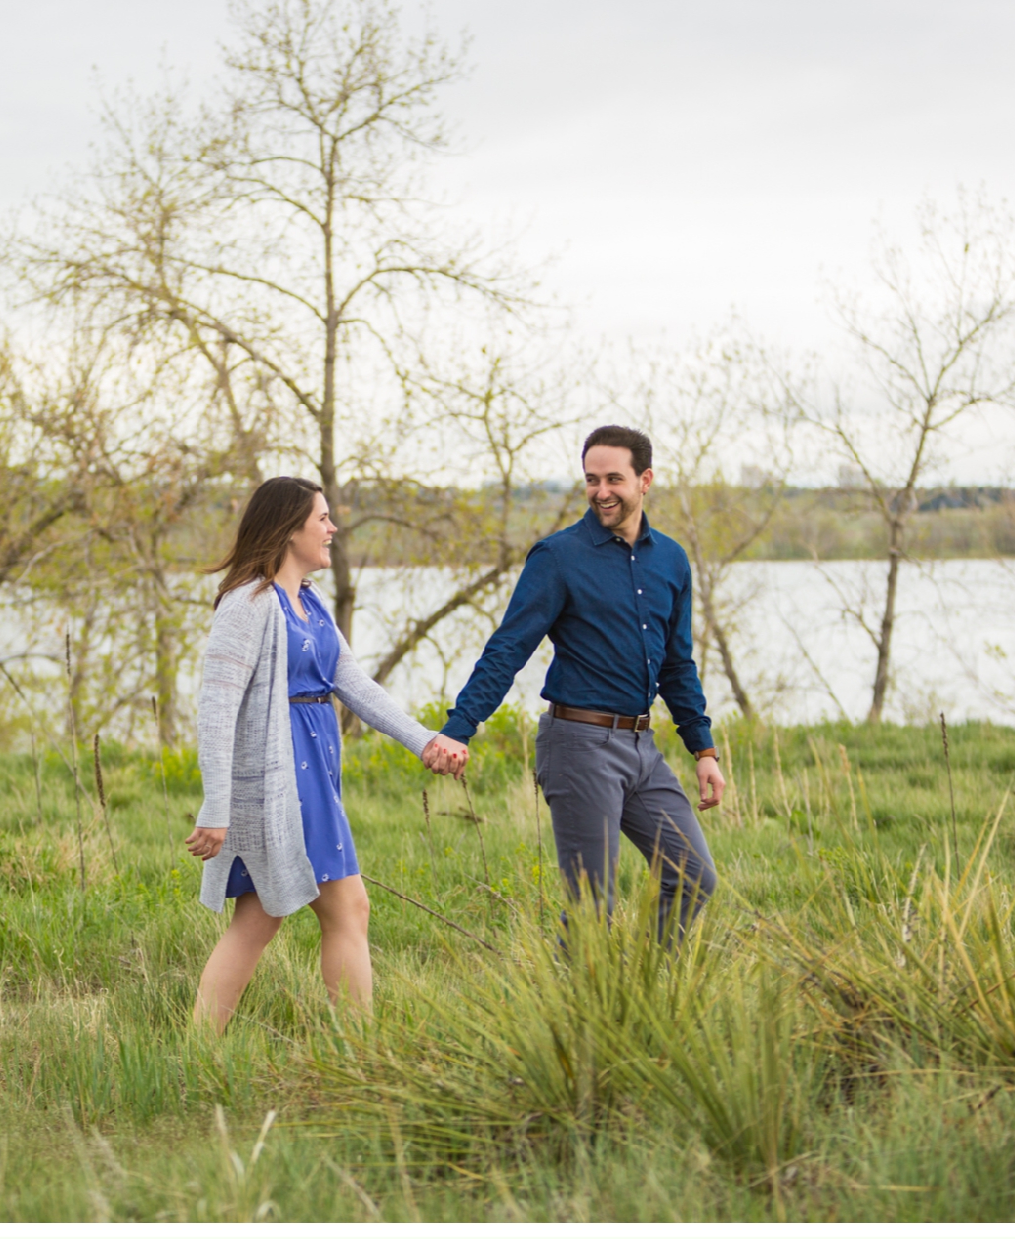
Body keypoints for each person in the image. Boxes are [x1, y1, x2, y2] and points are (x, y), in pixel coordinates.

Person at [184, 476, 469, 1033]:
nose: (332, 528)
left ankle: (353, 1051)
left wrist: (424, 740)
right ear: (289, 530)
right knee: (269, 917)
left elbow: (356, 686)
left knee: (328, 911)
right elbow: (215, 711)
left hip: (315, 773)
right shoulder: (248, 603)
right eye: (322, 518)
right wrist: (217, 807)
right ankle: (207, 1049)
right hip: (275, 780)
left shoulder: (309, 603)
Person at [430, 424, 724, 939]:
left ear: (645, 480)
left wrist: (703, 751)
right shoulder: (559, 556)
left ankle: (645, 992)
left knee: (693, 875)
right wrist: (460, 726)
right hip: (579, 743)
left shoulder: (672, 560)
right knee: (593, 906)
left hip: (642, 747)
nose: (602, 491)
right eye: (592, 479)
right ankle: (581, 1012)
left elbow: (678, 665)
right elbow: (509, 648)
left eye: (614, 478)